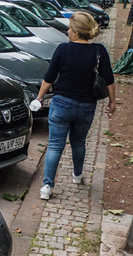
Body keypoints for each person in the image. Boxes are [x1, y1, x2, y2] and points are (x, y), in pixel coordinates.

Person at [35, 11, 115, 200]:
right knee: (79, 142)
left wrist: (39, 98)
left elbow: (49, 77)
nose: (68, 32)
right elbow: (109, 79)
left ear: (77, 32)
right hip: (86, 106)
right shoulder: (99, 51)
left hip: (62, 104)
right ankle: (77, 176)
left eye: (70, 29)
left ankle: (47, 186)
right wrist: (112, 102)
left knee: (55, 146)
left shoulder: (63, 49)